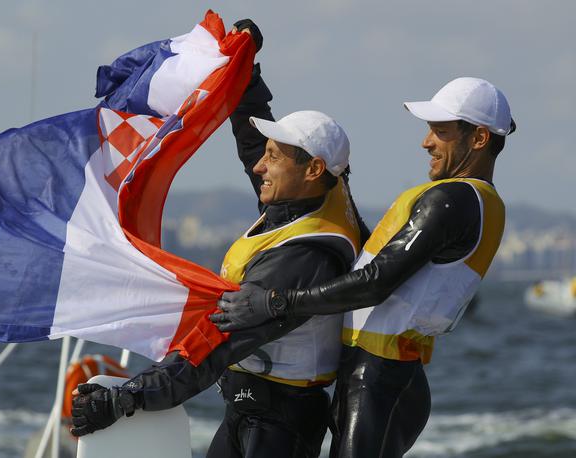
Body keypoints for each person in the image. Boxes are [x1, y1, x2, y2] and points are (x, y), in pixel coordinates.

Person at [70, 21, 369, 458]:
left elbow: (219, 340)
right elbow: (253, 146)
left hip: (278, 424)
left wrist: (129, 397)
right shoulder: (305, 202)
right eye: (264, 156)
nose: (259, 168)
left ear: (314, 170)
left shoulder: (307, 251)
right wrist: (246, 73)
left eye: (274, 158)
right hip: (249, 410)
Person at [211, 77, 515, 458]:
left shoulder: (455, 200)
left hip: (380, 381)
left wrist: (276, 302)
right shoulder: (471, 201)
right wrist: (248, 86)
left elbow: (374, 283)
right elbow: (366, 255)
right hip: (378, 378)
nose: (426, 142)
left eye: (440, 131)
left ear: (480, 138)